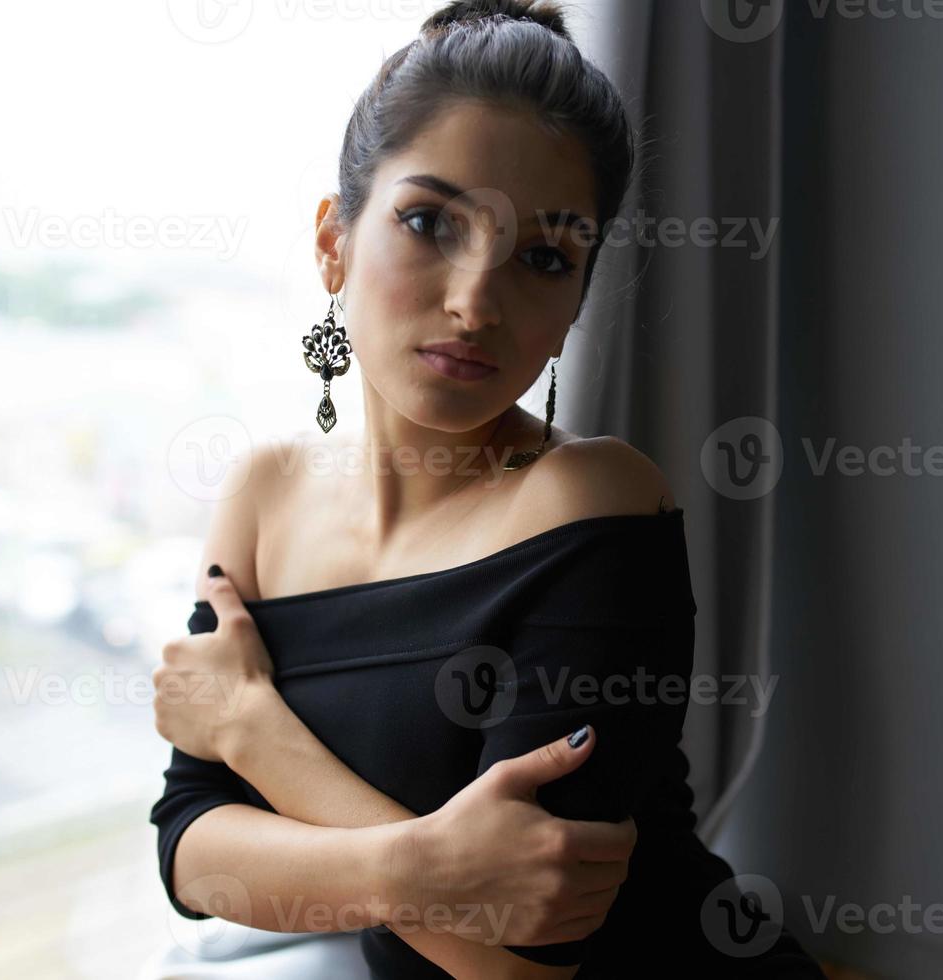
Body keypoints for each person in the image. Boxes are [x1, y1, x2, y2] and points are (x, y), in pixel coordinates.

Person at [149, 2, 825, 976]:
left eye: (545, 257)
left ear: (576, 302)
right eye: (430, 221)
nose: (475, 300)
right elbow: (190, 850)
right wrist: (421, 867)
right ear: (334, 240)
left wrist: (253, 730)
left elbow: (512, 963)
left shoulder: (595, 499)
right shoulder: (262, 493)